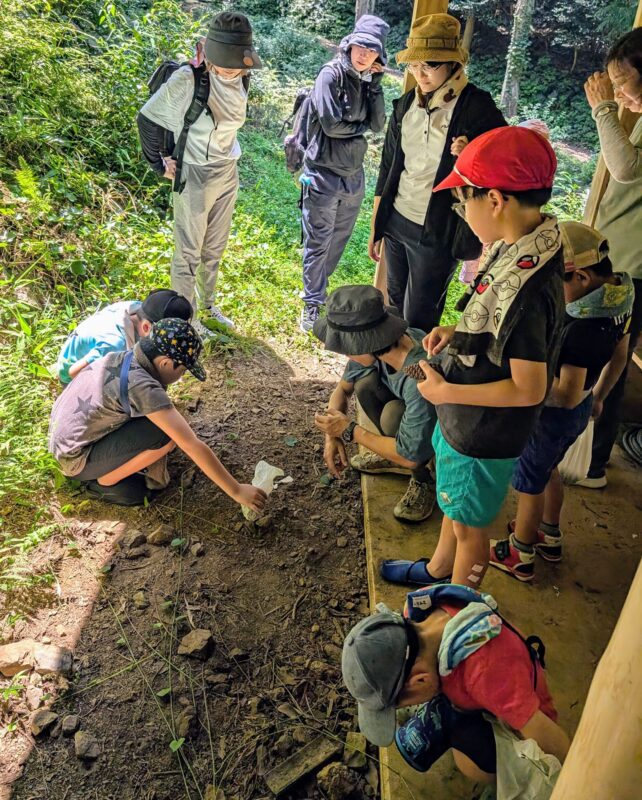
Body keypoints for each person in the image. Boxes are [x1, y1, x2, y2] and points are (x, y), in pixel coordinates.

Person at [380, 126, 565, 589]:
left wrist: (446, 390)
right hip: (465, 416)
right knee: (453, 506)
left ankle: (454, 608)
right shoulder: (520, 250)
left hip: (483, 431)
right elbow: (492, 332)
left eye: (464, 201)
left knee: (469, 527)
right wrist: (456, 331)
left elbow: (529, 387)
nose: (462, 211)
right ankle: (439, 568)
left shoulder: (526, 291)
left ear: (496, 200)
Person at [489, 222, 635, 582]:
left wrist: (526, 386)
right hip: (583, 408)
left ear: (582, 278)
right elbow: (620, 355)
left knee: (530, 482)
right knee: (550, 469)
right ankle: (548, 534)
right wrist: (599, 396)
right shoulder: (620, 302)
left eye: (557, 283)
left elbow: (565, 393)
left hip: (554, 415)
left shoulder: (582, 326)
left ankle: (521, 549)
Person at [342, 585, 570, 789]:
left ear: (420, 680)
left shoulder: (484, 673)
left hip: (513, 707)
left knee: (469, 765)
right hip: (492, 685)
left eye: (400, 702)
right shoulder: (420, 607)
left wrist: (574, 783)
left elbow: (550, 739)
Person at [368, 13, 506, 332]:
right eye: (414, 66)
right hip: (398, 219)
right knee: (393, 305)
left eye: (429, 66)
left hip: (439, 229)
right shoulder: (404, 106)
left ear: (452, 66)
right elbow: (388, 168)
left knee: (420, 317)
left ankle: (416, 379)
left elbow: (505, 163)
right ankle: (390, 378)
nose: (420, 74)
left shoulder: (477, 107)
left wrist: (472, 153)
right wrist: (378, 225)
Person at [48, 317, 267, 513]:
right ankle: (105, 480)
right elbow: (190, 443)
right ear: (164, 363)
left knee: (163, 423)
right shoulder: (143, 388)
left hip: (63, 438)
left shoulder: (123, 356)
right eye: (181, 371)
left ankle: (115, 465)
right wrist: (237, 490)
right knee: (163, 436)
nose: (181, 377)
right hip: (76, 459)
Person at [137, 12, 263, 339]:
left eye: (238, 63)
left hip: (227, 170)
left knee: (215, 247)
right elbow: (148, 119)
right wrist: (158, 163)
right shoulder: (188, 79)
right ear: (210, 53)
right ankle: (185, 318)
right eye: (225, 62)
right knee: (188, 251)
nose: (232, 69)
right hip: (194, 172)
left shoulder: (242, 76)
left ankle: (208, 307)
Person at [313, 285, 437, 522]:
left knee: (392, 416)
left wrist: (349, 430)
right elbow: (342, 390)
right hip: (415, 420)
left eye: (346, 349)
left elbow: (412, 454)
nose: (347, 356)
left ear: (362, 345)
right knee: (364, 383)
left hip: (439, 441)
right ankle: (392, 451)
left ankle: (425, 478)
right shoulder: (384, 344)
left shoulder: (420, 377)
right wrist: (331, 434)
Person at [299, 15, 389, 333]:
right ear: (349, 44)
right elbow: (330, 124)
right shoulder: (331, 75)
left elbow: (380, 124)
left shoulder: (367, 81)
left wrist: (375, 85)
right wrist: (359, 128)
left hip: (353, 176)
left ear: (379, 56)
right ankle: (311, 303)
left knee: (338, 239)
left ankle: (317, 290)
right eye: (360, 45)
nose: (363, 53)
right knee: (319, 240)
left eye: (371, 49)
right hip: (322, 172)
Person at [581, 27, 642, 488]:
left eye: (625, 81)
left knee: (609, 363)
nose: (619, 91)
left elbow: (624, 168)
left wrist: (604, 108)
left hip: (635, 267)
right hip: (617, 255)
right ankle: (586, 455)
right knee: (601, 355)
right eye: (614, 82)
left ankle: (593, 463)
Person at [55, 289, 192, 385]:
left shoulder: (138, 309)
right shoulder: (114, 345)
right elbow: (73, 373)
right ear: (146, 327)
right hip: (72, 377)